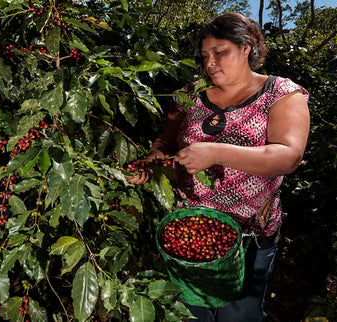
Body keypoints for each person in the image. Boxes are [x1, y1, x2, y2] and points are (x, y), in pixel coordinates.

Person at [127, 12, 310, 321]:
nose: (210, 63)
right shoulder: (190, 94)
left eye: (220, 52)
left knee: (239, 314)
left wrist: (215, 153)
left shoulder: (281, 93)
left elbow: (287, 156)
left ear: (246, 47)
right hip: (189, 229)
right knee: (192, 311)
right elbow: (165, 142)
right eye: (205, 55)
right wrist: (152, 161)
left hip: (248, 233)